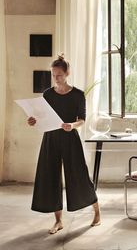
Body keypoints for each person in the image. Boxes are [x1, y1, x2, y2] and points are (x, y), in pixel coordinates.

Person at [27, 54, 100, 234]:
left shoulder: (77, 95)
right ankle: (58, 221)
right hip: (50, 138)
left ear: (67, 73)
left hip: (70, 138)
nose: (56, 78)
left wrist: (72, 125)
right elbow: (41, 117)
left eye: (59, 74)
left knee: (79, 175)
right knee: (50, 178)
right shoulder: (48, 94)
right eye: (53, 74)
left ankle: (97, 212)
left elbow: (82, 120)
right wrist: (33, 121)